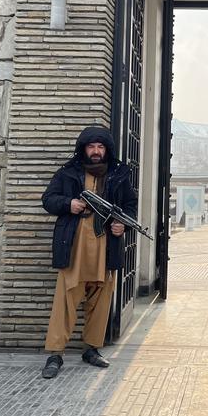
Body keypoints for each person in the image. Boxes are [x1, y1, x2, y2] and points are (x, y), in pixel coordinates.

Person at [40, 126, 137, 378]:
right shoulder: (69, 172)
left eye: (101, 147)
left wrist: (122, 223)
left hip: (105, 246)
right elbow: (48, 199)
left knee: (101, 298)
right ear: (84, 148)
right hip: (74, 246)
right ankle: (55, 353)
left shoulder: (118, 174)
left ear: (107, 150)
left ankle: (91, 349)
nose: (96, 151)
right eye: (92, 146)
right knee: (66, 300)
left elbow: (130, 205)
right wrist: (68, 204)